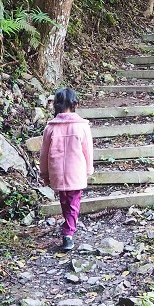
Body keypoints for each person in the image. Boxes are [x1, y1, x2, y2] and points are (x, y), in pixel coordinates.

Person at [39, 88, 93, 251]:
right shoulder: (82, 126)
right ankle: (68, 233)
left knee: (64, 200)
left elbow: (44, 153)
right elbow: (88, 151)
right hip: (76, 170)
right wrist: (89, 170)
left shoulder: (50, 127)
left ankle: (68, 228)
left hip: (57, 171)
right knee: (74, 202)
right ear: (75, 104)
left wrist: (44, 173)